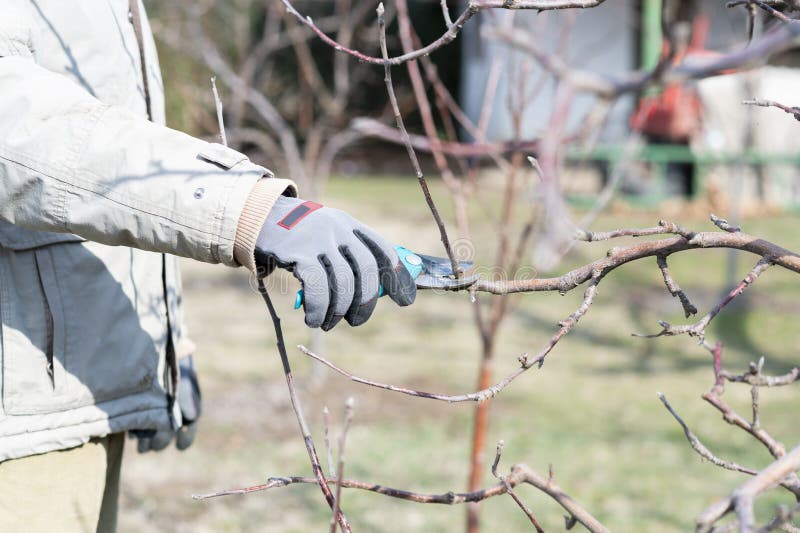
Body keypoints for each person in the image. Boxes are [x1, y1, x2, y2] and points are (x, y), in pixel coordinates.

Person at [0, 1, 416, 531]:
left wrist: (164, 344)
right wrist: (247, 209)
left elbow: (96, 186)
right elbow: (19, 126)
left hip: (66, 395)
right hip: (18, 428)